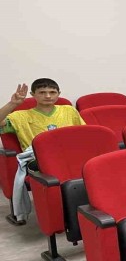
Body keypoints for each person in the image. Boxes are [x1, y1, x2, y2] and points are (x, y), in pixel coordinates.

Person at [0, 80, 85, 225]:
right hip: (38, 158)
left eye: (52, 92)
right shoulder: (20, 116)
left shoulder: (69, 110)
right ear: (33, 94)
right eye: (42, 92)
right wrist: (13, 104)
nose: (48, 96)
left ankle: (84, 211)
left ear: (58, 94)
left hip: (69, 155)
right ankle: (62, 216)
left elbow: (83, 133)